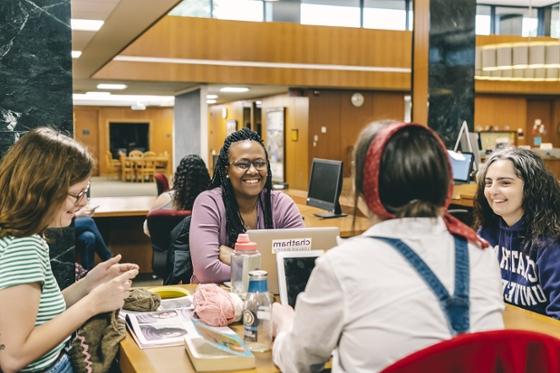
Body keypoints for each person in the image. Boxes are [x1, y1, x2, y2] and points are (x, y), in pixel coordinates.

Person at [272, 121, 504, 373]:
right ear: (445, 188)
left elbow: (300, 361)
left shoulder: (342, 265)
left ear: (365, 192)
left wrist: (285, 324)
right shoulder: (481, 253)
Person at [0, 128, 139, 373]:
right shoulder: (23, 245)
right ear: (46, 189)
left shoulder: (23, 236)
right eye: (78, 194)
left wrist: (88, 284)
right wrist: (93, 304)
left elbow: (39, 315)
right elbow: (13, 357)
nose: (83, 203)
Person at [190, 128, 304, 283]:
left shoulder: (282, 204)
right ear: (226, 170)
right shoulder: (209, 203)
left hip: (270, 297)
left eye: (260, 163)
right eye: (243, 164)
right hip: (218, 300)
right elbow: (207, 271)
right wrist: (270, 267)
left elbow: (301, 263)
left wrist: (235, 258)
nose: (253, 171)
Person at [474, 148, 560, 319]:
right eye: (488, 183)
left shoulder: (550, 241)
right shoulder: (487, 231)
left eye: (505, 183)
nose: (493, 191)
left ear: (531, 187)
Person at [143, 154, 210, 237]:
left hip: (169, 248)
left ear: (179, 175)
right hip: (202, 248)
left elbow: (148, 227)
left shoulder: (166, 198)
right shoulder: (211, 200)